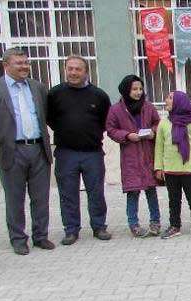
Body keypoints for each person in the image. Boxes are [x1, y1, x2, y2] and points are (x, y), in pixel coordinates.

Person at [47, 55, 112, 245]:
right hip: (66, 153)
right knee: (68, 193)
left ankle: (99, 226)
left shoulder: (99, 95)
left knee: (96, 192)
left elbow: (105, 122)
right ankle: (71, 230)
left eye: (78, 69)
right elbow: (50, 119)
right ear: (65, 70)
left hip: (92, 152)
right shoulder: (55, 94)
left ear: (86, 72)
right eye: (70, 69)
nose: (74, 72)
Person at [0, 48, 54, 255]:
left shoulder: (37, 87)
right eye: (18, 63)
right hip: (12, 150)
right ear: (6, 65)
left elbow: (46, 115)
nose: (24, 66)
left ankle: (41, 236)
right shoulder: (0, 88)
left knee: (41, 197)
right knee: (15, 198)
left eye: (26, 63)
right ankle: (18, 239)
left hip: (38, 148)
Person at [106, 75, 161, 238]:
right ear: (126, 90)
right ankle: (133, 224)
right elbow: (110, 129)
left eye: (140, 89)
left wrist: (153, 132)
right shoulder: (116, 110)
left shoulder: (148, 107)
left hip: (148, 154)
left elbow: (157, 122)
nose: (138, 92)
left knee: (151, 190)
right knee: (133, 192)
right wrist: (127, 135)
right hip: (130, 157)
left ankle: (155, 221)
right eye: (134, 89)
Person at [155, 91, 191, 239]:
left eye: (170, 98)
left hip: (189, 171)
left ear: (180, 102)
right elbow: (159, 147)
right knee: (174, 201)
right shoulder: (164, 123)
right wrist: (158, 167)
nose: (166, 100)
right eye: (167, 97)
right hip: (170, 171)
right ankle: (174, 226)